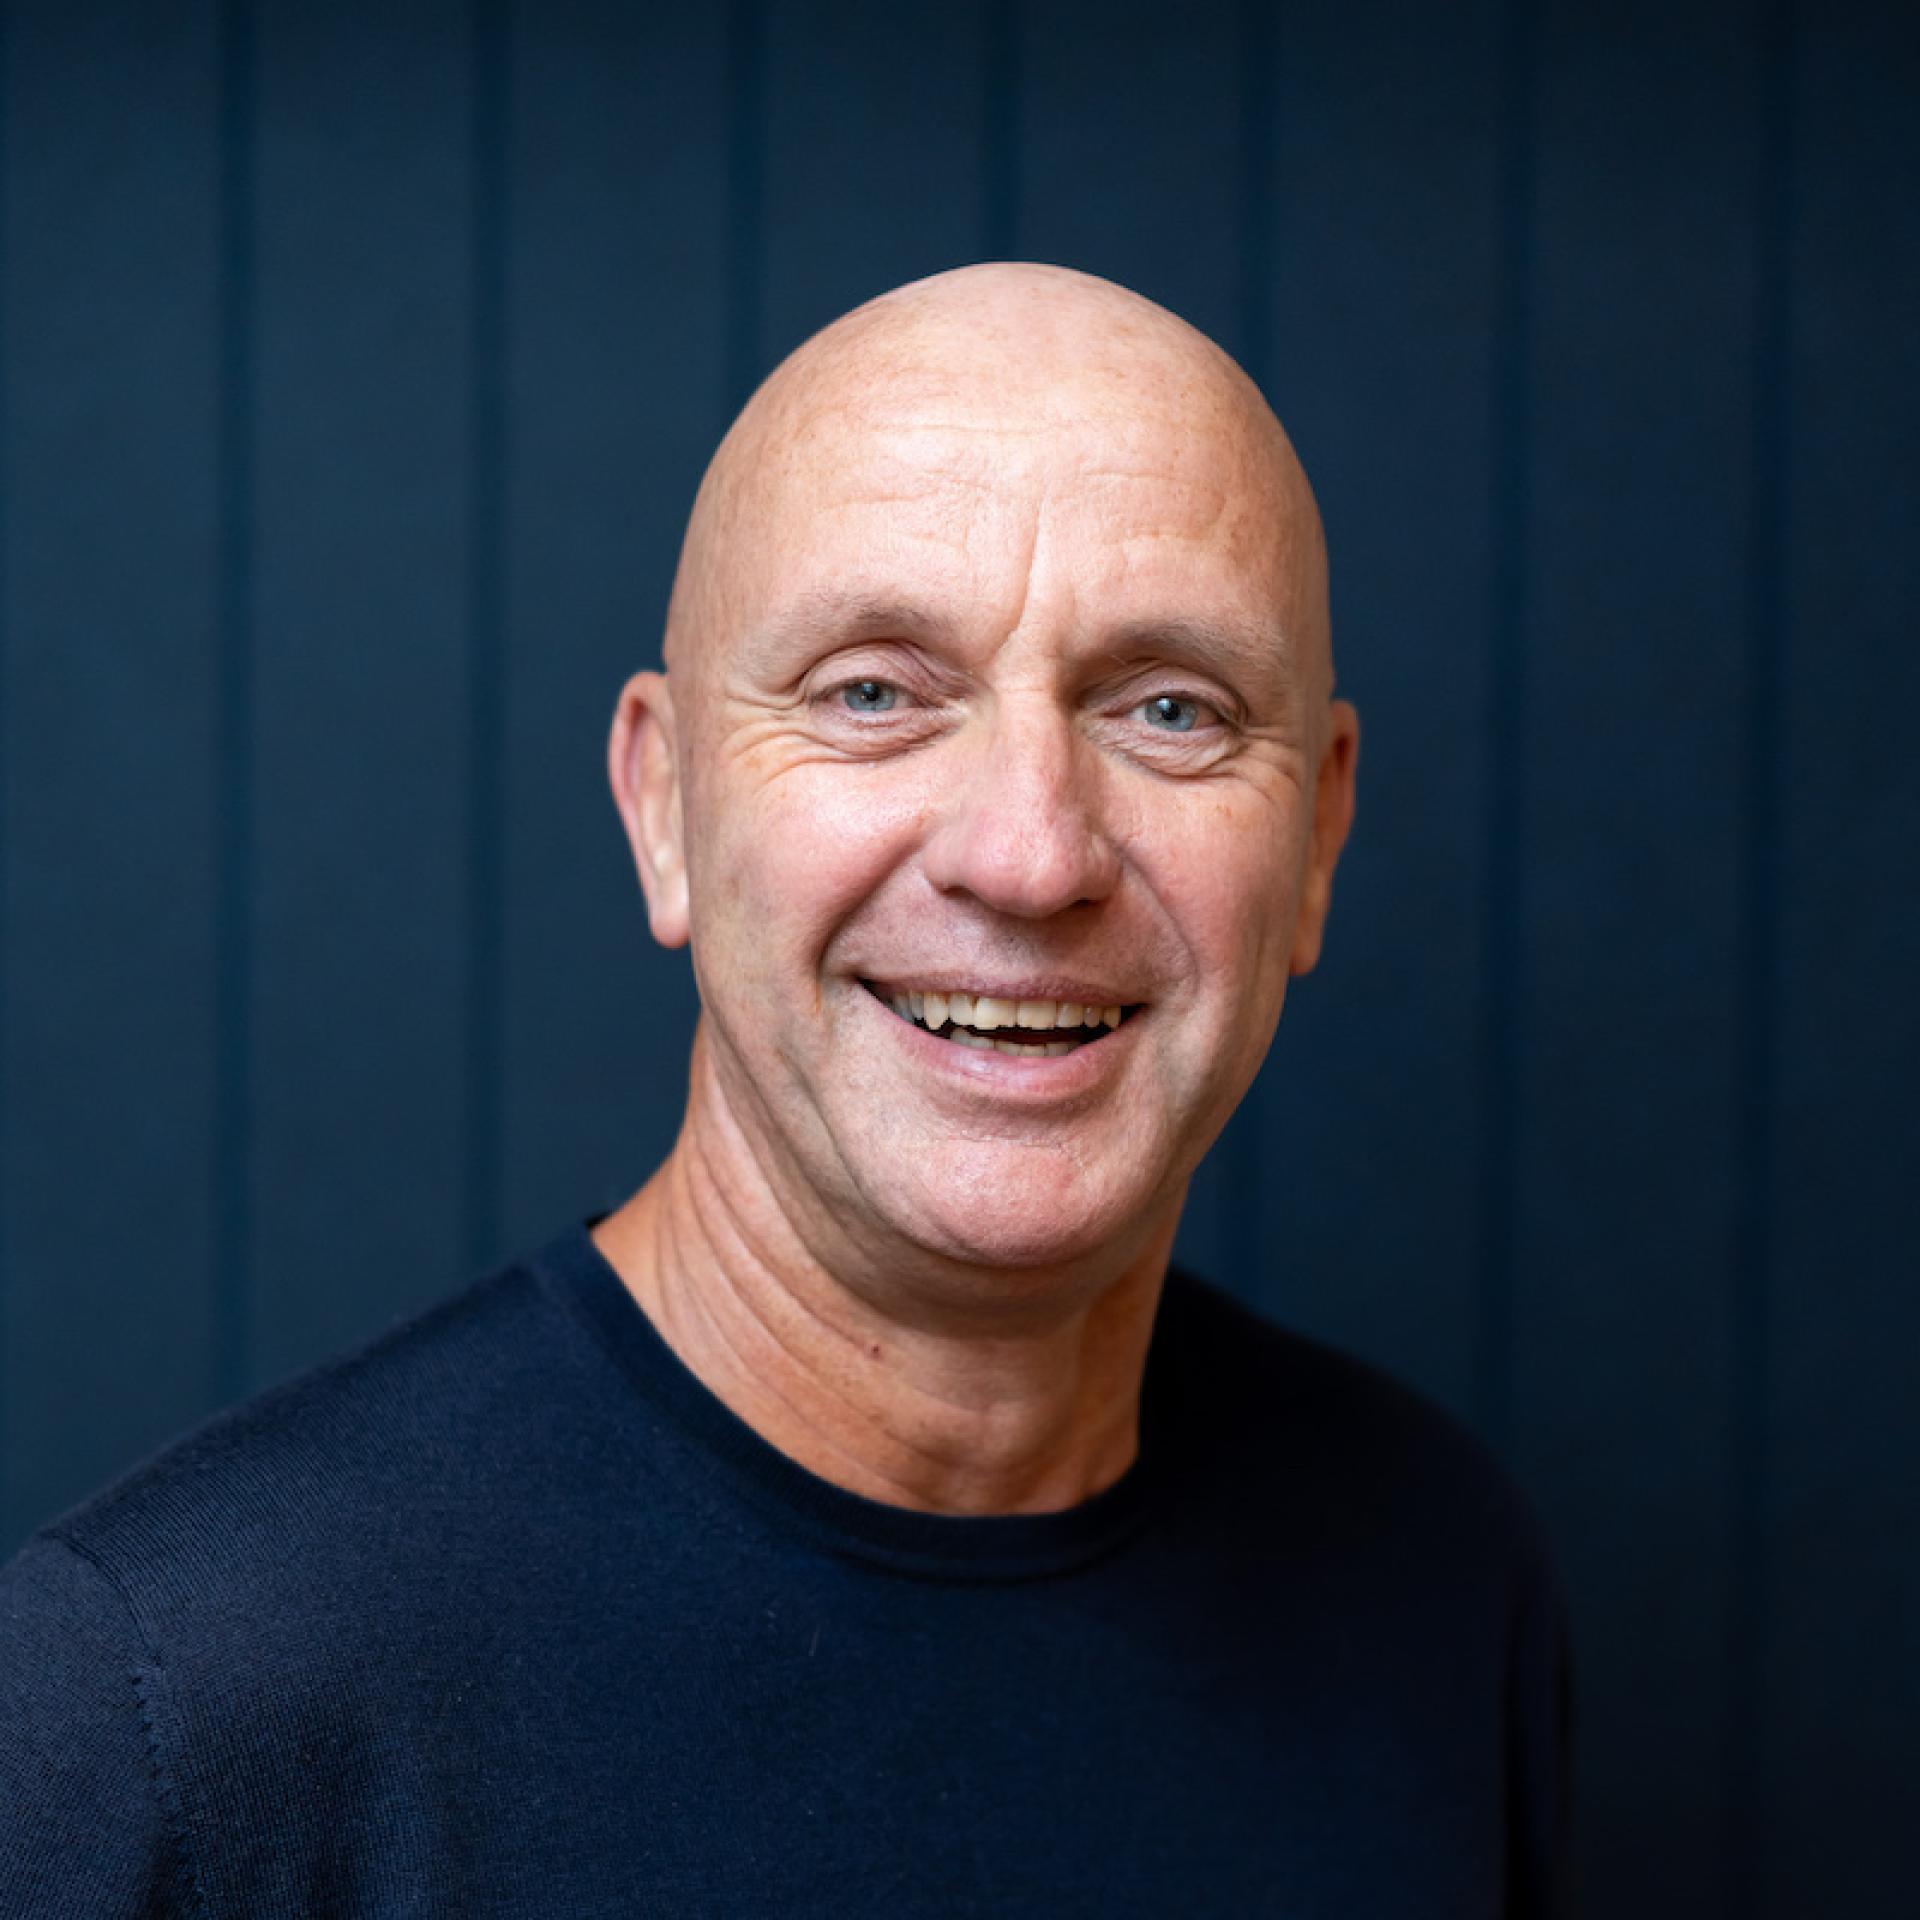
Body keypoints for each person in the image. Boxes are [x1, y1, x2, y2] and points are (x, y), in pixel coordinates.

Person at [0, 263, 1575, 1915]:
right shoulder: (169, 1712)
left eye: (1170, 708)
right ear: (665, 806)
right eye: (874, 693)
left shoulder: (1439, 1583)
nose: (1030, 855)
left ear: (1316, 836)